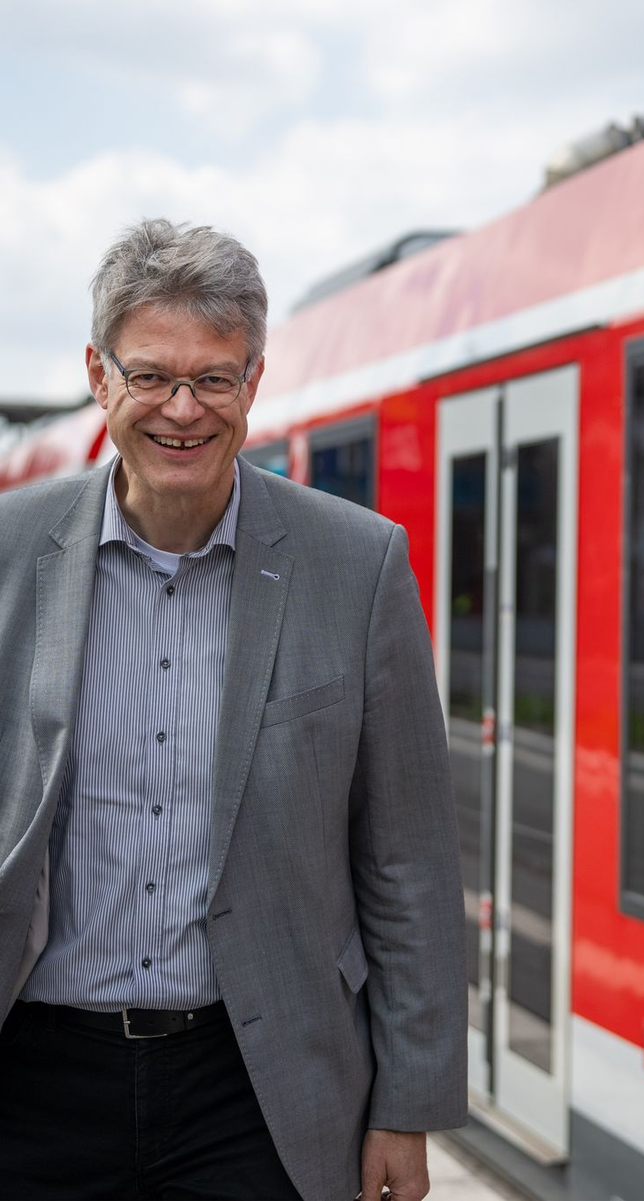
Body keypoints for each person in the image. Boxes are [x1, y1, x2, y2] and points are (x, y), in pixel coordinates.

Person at [0, 219, 467, 1200]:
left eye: (214, 378)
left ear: (254, 383)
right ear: (98, 375)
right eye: (152, 374)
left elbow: (409, 857)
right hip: (33, 1070)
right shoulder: (9, 549)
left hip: (255, 1087)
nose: (183, 409)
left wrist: (408, 1103)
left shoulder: (359, 564)